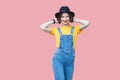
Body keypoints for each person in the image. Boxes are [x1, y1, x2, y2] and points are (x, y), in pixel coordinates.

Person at [40, 6, 90, 80]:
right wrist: (54, 21)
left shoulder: (75, 29)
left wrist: (74, 19)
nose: (65, 19)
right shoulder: (56, 30)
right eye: (62, 17)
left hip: (70, 60)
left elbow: (87, 23)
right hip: (58, 59)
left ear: (70, 17)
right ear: (60, 18)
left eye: (67, 16)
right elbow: (42, 27)